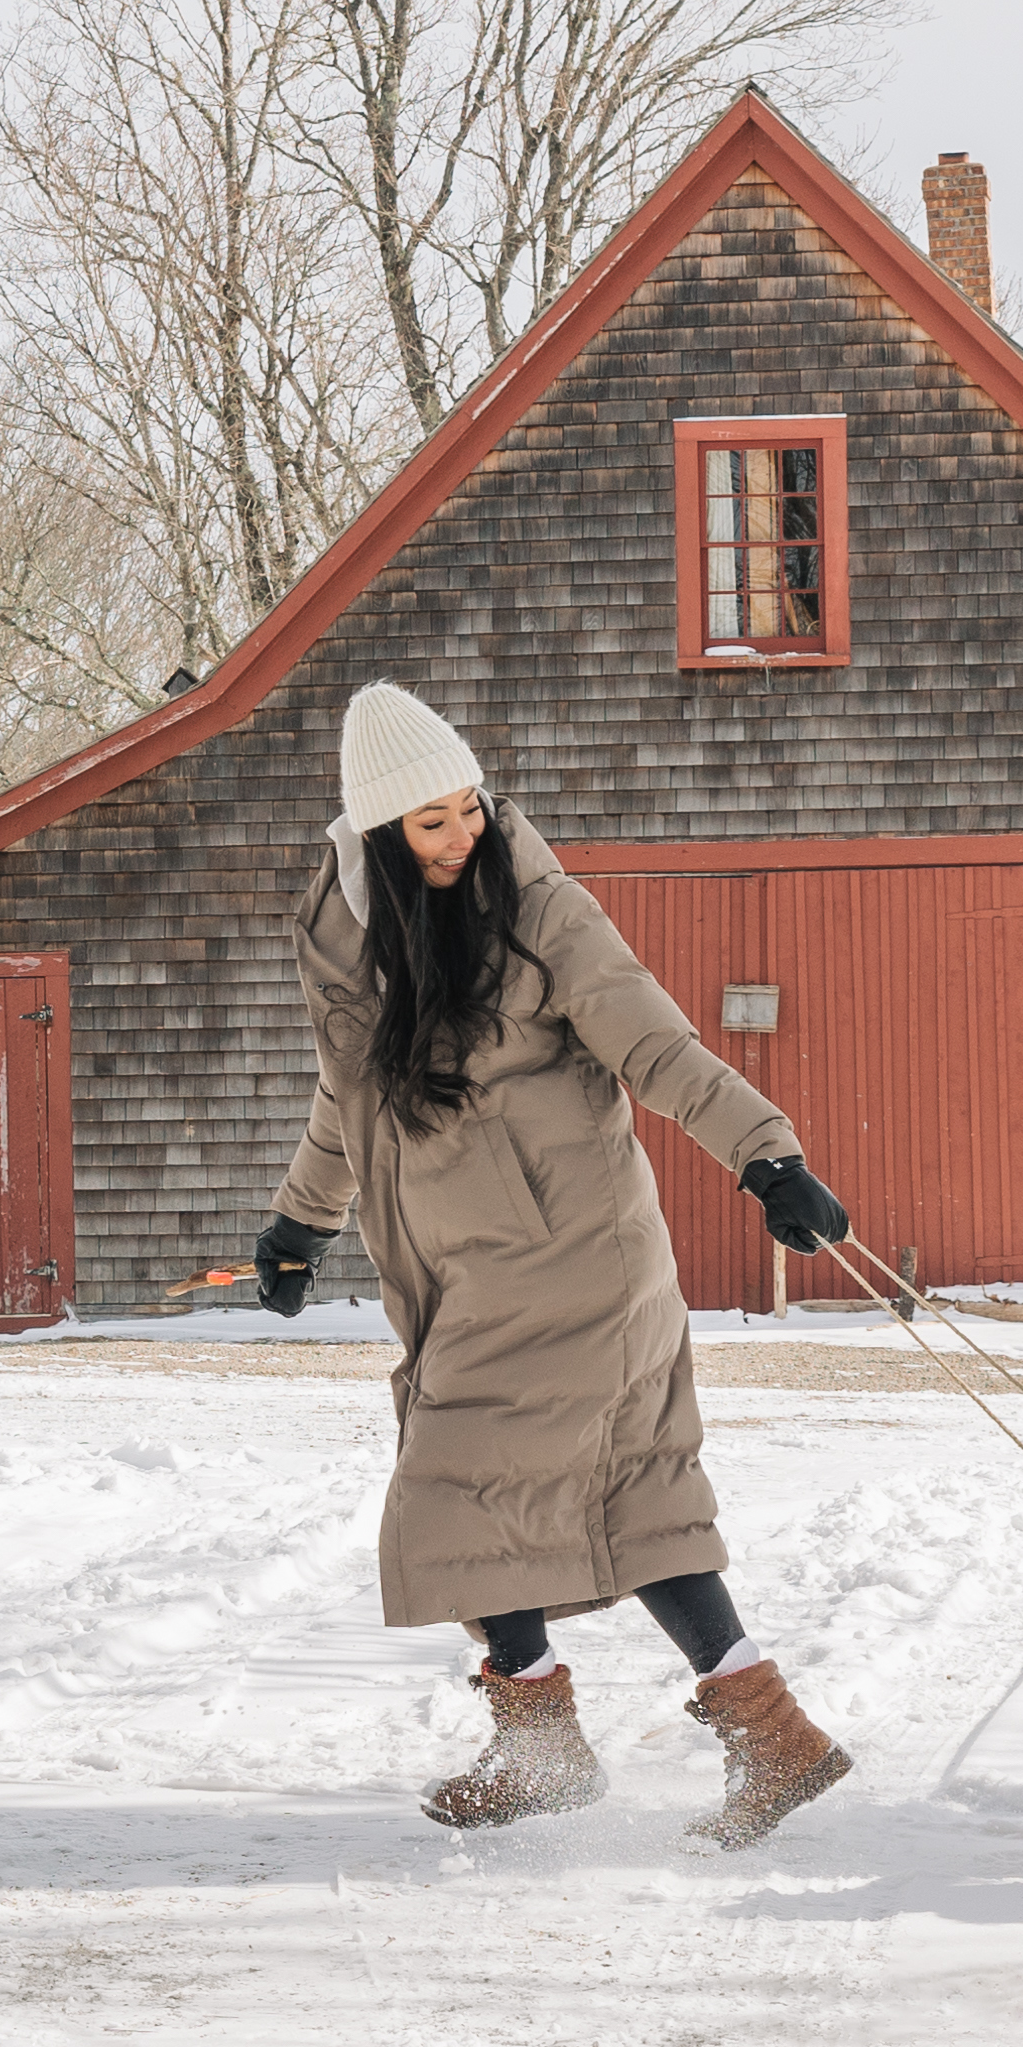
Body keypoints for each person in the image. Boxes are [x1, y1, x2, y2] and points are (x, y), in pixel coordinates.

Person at [253, 681, 861, 1849]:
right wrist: (299, 1225)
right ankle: (766, 1733)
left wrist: (767, 1154)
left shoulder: (539, 906)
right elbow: (355, 1100)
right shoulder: (345, 936)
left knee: (456, 1489)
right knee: (631, 1490)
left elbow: (655, 1040)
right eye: (433, 822)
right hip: (469, 1270)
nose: (464, 834)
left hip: (571, 1254)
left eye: (470, 806)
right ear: (378, 829)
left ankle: (543, 1747)